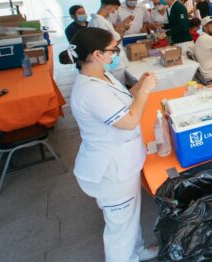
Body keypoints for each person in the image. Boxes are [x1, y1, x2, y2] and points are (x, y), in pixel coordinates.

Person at [59, 28, 158, 262]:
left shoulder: (102, 76)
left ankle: (138, 250)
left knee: (130, 216)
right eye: (113, 50)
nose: (116, 54)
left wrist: (138, 86)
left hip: (124, 160)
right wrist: (144, 93)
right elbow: (129, 120)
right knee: (119, 227)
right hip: (111, 169)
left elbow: (124, 99)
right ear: (96, 53)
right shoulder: (90, 91)